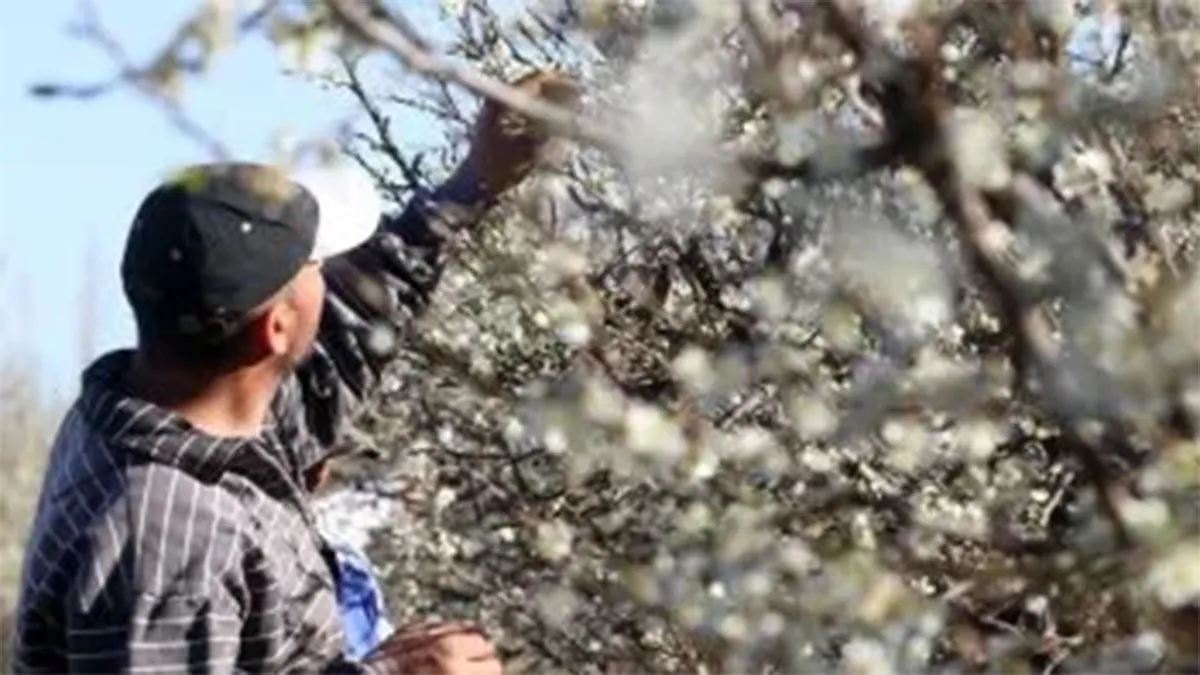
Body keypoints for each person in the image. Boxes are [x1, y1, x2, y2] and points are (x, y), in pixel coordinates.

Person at [10, 69, 576, 674]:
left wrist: (476, 180)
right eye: (314, 262)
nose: (331, 273)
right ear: (276, 329)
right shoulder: (166, 539)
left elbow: (353, 324)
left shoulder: (195, 406)